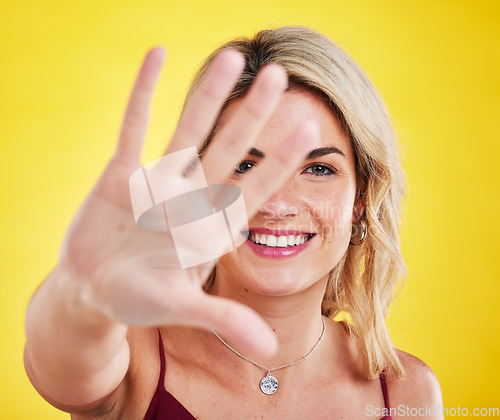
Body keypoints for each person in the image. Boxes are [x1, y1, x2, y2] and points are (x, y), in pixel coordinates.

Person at [24, 26, 443, 419]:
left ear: (362, 200)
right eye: (244, 164)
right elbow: (60, 360)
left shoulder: (410, 394)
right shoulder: (132, 358)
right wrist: (85, 291)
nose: (276, 204)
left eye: (318, 169)